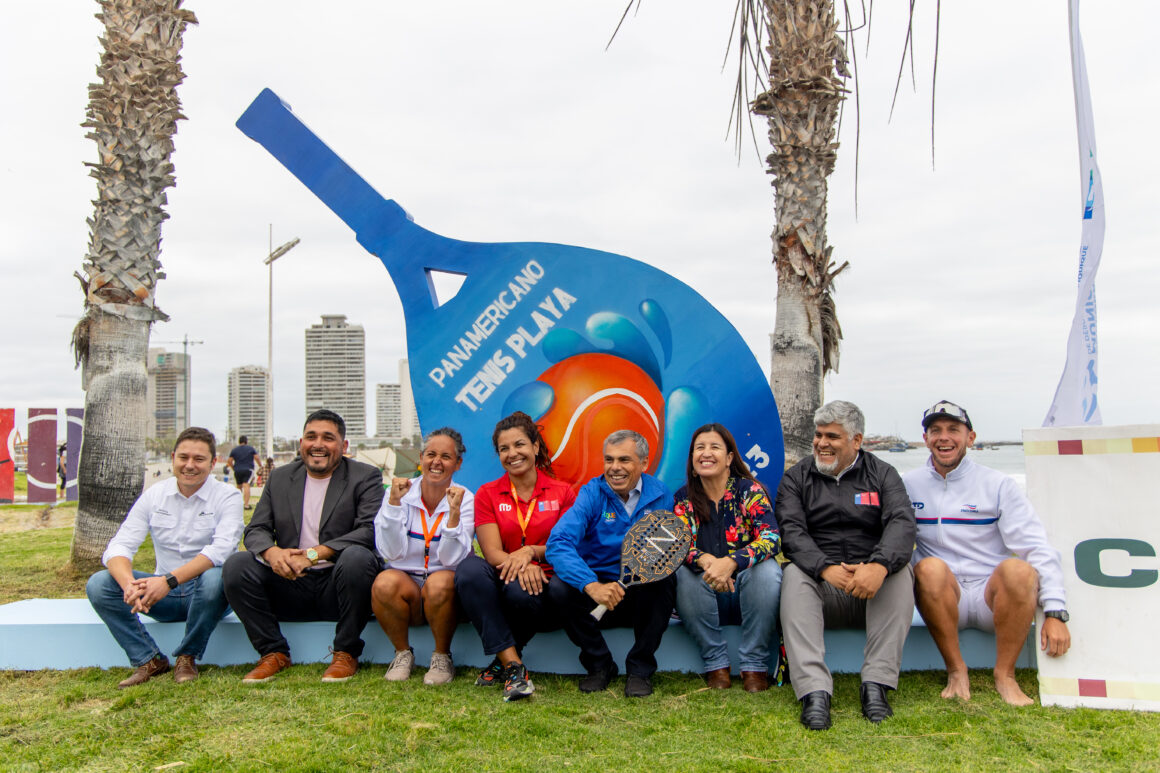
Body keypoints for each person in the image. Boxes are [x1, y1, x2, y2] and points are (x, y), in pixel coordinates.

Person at [903, 400, 1071, 706]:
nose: (944, 437)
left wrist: (1055, 611)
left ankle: (1005, 676)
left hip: (990, 598)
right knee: (928, 568)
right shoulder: (907, 485)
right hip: (942, 595)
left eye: (954, 429)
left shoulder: (998, 484)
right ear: (925, 438)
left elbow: (1035, 547)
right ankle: (956, 670)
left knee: (1019, 570)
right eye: (935, 430)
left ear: (971, 437)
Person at [776, 401, 916, 729]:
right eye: (818, 435)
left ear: (856, 440)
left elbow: (902, 523)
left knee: (900, 573)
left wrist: (878, 566)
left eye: (833, 437)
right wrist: (825, 568)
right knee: (794, 574)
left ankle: (876, 686)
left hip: (872, 589)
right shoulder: (797, 478)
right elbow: (791, 531)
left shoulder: (883, 474)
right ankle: (814, 692)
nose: (822, 443)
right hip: (823, 587)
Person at [222, 409, 383, 684]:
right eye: (311, 436)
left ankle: (345, 652)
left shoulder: (365, 476)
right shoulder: (280, 477)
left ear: (343, 446)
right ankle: (273, 652)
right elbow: (256, 529)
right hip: (289, 582)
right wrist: (273, 554)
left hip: (340, 585)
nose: (318, 444)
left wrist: (313, 554)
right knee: (237, 565)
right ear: (301, 443)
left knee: (358, 557)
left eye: (328, 438)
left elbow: (369, 531)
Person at [86, 427, 243, 687]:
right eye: (183, 458)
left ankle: (187, 657)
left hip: (208, 595)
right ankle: (148, 659)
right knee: (100, 584)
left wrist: (167, 581)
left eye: (199, 459)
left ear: (213, 463)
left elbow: (221, 550)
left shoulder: (228, 496)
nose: (189, 465)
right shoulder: (155, 495)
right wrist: (129, 586)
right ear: (173, 458)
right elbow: (119, 546)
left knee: (216, 576)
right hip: (162, 595)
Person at [454, 412, 576, 701]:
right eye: (504, 449)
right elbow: (492, 552)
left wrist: (531, 553)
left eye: (519, 445)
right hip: (506, 574)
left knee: (523, 592)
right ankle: (514, 666)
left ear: (535, 446)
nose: (512, 454)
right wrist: (522, 565)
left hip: (545, 585)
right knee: (469, 570)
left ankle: (502, 663)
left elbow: (567, 545)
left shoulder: (564, 493)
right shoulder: (487, 493)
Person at [545, 429, 675, 698]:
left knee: (665, 580)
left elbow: (664, 552)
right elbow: (558, 543)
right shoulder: (591, 493)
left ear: (644, 463)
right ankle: (599, 665)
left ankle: (640, 669)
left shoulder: (661, 495)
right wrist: (590, 584)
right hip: (596, 591)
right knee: (559, 587)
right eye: (609, 460)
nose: (614, 468)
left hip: (637, 589)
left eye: (624, 460)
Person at [672, 423, 782, 692]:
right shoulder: (684, 498)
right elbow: (678, 545)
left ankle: (755, 666)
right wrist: (705, 561)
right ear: (692, 458)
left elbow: (772, 538)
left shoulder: (749, 491)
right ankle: (716, 664)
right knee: (682, 573)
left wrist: (731, 562)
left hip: (750, 592)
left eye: (714, 447)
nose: (706, 453)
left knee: (767, 571)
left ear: (729, 458)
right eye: (700, 448)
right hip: (703, 593)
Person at [372, 428, 475, 686]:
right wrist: (394, 506)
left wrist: (452, 516)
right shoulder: (398, 493)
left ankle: (442, 656)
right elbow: (390, 553)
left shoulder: (465, 499)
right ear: (421, 457)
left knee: (441, 582)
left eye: (446, 456)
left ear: (458, 464)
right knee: (384, 583)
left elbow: (452, 560)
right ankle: (402, 653)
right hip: (406, 586)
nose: (436, 462)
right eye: (430, 454)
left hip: (443, 592)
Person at [227, 435, 261, 510]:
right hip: (248, 470)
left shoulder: (234, 450)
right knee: (246, 485)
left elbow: (229, 461)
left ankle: (236, 504)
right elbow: (257, 458)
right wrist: (260, 466)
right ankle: (246, 505)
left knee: (238, 487)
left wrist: (234, 468)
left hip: (237, 470)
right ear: (246, 441)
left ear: (239, 441)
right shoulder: (250, 449)